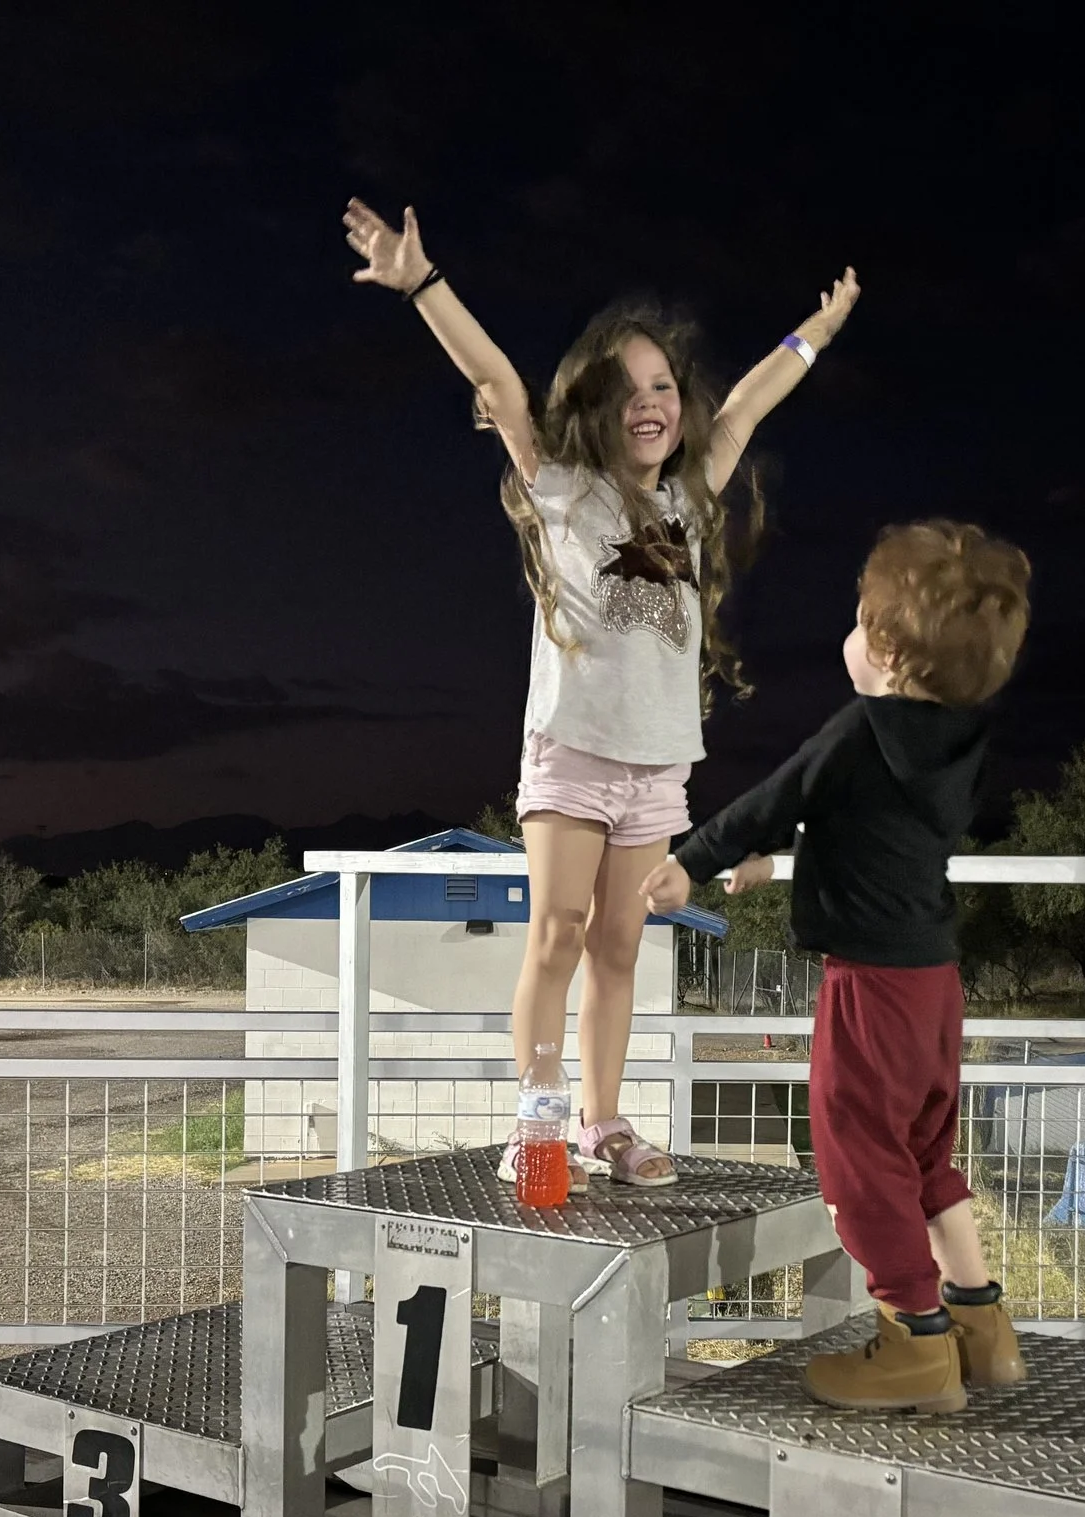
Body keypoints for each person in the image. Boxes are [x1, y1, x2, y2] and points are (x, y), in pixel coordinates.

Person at [343, 198, 857, 1189]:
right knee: (556, 932)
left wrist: (815, 333)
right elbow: (494, 375)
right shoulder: (562, 484)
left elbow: (750, 402)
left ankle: (601, 1122)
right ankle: (536, 1122)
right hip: (573, 753)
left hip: (657, 762)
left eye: (661, 384)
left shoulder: (693, 495)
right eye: (624, 389)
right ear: (595, 407)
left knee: (621, 945)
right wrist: (421, 285)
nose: (647, 401)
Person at [643, 521, 1031, 1410]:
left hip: (870, 989)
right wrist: (784, 856)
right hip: (935, 983)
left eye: (860, 624)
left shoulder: (859, 729)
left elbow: (777, 796)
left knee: (859, 1164)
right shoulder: (962, 744)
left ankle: (915, 1345)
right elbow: (862, 825)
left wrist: (690, 864)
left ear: (889, 652)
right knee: (926, 1154)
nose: (847, 639)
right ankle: (983, 1327)